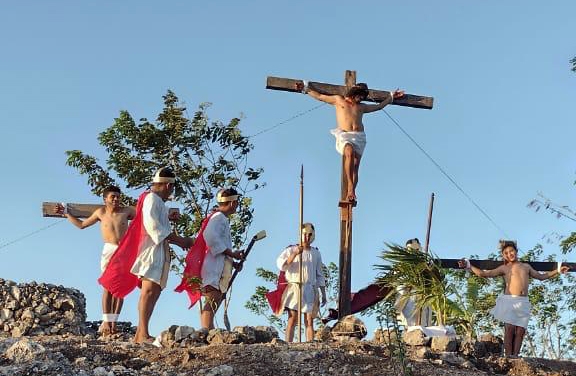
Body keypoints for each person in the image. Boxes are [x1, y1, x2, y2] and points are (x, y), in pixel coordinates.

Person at [99, 167, 193, 344]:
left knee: (154, 291)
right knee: (148, 291)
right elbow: (154, 228)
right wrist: (181, 241)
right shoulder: (151, 199)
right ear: (167, 185)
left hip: (158, 250)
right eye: (171, 188)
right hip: (150, 251)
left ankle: (140, 335)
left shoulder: (156, 201)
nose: (171, 192)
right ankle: (142, 333)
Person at [295, 81, 404, 202]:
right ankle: (350, 188)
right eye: (360, 95)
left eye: (363, 96)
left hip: (359, 138)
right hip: (345, 136)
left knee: (356, 166)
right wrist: (305, 89)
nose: (361, 98)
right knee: (349, 151)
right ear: (354, 92)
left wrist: (391, 97)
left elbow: (379, 106)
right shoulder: (339, 100)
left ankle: (352, 193)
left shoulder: (362, 107)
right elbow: (320, 97)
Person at [458, 240, 570, 358]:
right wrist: (469, 266)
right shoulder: (504, 268)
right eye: (506, 253)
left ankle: (515, 356)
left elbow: (541, 276)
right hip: (509, 300)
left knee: (520, 331)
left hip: (523, 302)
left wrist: (557, 271)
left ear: (516, 251)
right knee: (510, 329)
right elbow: (484, 274)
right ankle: (508, 356)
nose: (509, 254)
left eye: (511, 251)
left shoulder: (526, 267)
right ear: (503, 255)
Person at [55, 186, 135, 336]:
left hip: (124, 251)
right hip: (109, 250)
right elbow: (81, 225)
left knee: (121, 288)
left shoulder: (127, 211)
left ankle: (114, 322)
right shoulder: (101, 213)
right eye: (113, 197)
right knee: (108, 285)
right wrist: (66, 213)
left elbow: (147, 214)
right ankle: (106, 321)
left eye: (118, 196)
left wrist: (168, 214)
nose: (116, 199)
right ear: (105, 199)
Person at [191, 188, 245, 330]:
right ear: (233, 203)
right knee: (213, 298)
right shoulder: (218, 217)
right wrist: (231, 253)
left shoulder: (222, 219)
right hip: (213, 267)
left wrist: (233, 262)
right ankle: (206, 331)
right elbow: (210, 236)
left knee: (216, 298)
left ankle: (209, 329)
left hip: (219, 265)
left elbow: (220, 245)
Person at [275, 223, 327, 342]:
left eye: (309, 235)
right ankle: (288, 344)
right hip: (295, 287)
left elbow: (319, 274)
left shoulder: (316, 253)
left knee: (309, 320)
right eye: (305, 234)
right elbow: (281, 265)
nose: (307, 237)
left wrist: (323, 293)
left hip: (309, 288)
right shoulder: (291, 249)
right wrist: (294, 254)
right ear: (301, 235)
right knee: (293, 318)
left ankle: (310, 344)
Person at [395, 238, 432, 327]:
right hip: (409, 298)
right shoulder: (401, 266)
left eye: (417, 249)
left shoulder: (425, 264)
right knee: (410, 325)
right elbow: (399, 283)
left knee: (424, 325)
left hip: (423, 298)